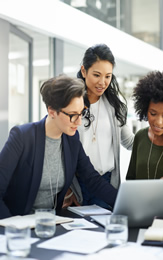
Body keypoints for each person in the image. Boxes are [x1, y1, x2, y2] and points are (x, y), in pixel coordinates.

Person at [0, 75, 117, 219]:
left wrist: (124, 203)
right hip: (19, 224)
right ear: (52, 111)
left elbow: (92, 179)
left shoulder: (71, 139)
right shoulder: (22, 137)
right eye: (73, 115)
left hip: (53, 224)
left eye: (81, 113)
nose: (79, 122)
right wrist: (12, 227)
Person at [63, 44, 134, 209]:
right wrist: (67, 190)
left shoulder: (116, 106)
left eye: (108, 76)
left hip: (105, 183)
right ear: (83, 71)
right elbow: (59, 147)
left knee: (104, 232)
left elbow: (130, 142)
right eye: (96, 75)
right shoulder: (70, 104)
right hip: (75, 185)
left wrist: (160, 135)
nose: (102, 82)